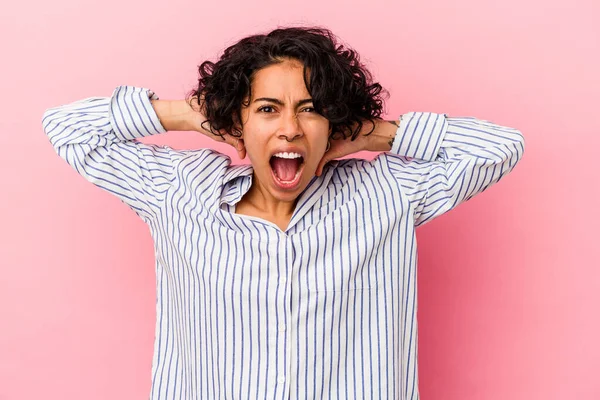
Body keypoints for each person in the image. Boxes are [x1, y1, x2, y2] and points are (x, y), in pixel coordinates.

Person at [41, 26, 525, 400]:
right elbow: (65, 129)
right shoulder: (180, 191)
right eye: (268, 109)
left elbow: (501, 148)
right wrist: (190, 113)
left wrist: (375, 134)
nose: (290, 128)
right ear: (239, 121)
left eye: (311, 109)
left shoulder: (386, 192)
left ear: (334, 122)